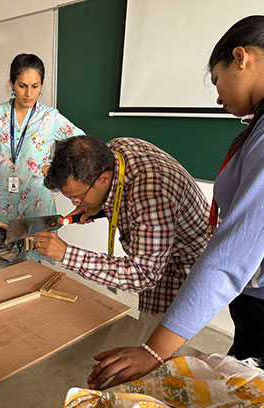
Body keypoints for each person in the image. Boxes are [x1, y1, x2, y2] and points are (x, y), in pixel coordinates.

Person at [86, 15, 264, 390]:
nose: (218, 97)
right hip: (248, 304)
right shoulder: (119, 150)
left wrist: (153, 351)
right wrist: (96, 207)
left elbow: (231, 257)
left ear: (242, 58)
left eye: (217, 80)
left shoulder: (149, 186)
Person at [34, 136, 210, 322]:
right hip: (156, 251)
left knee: (154, 338)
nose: (75, 203)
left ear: (103, 179)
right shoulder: (114, 152)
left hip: (186, 263)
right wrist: (97, 206)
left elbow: (143, 273)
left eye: (77, 197)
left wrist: (67, 254)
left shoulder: (151, 194)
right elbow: (121, 196)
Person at [0, 53, 85, 258]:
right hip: (0, 202)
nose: (28, 93)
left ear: (42, 85)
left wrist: (55, 168)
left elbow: (83, 144)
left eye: (35, 86)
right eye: (22, 85)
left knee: (34, 262)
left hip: (37, 203)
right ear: (11, 84)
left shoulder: (50, 117)